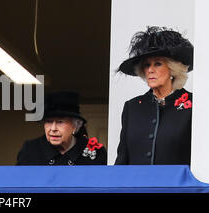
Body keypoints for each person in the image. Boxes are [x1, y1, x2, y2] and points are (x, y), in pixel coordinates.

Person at [115, 26, 193, 165]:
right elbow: (123, 158)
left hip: (177, 186)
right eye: (146, 65)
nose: (150, 70)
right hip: (138, 185)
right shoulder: (132, 107)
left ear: (172, 69)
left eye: (157, 64)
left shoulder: (193, 105)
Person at [16, 91, 107, 165]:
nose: (53, 128)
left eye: (60, 122)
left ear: (75, 126)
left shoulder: (97, 153)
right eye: (49, 122)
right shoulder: (30, 150)